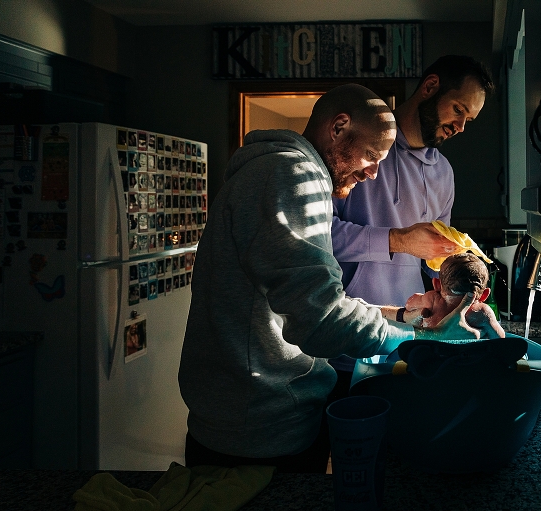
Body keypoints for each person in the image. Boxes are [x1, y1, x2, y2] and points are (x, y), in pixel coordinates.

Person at [178, 84, 481, 475]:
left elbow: (312, 300)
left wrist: (405, 318)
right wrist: (422, 339)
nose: (373, 173)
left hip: (255, 416)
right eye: (371, 157)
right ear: (338, 127)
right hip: (256, 432)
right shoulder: (290, 177)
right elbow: (320, 321)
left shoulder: (286, 174)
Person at [330, 55, 495, 379]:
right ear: (430, 87)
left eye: (469, 120)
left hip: (408, 342)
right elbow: (322, 237)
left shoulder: (444, 174)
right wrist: (398, 240)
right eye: (458, 110)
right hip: (344, 341)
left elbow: (434, 262)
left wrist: (465, 278)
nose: (460, 127)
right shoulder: (363, 149)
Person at [390, 252, 505, 339]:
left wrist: (421, 301)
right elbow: (500, 339)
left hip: (431, 358)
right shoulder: (482, 311)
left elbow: (409, 304)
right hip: (467, 362)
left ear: (436, 284)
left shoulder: (430, 300)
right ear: (485, 295)